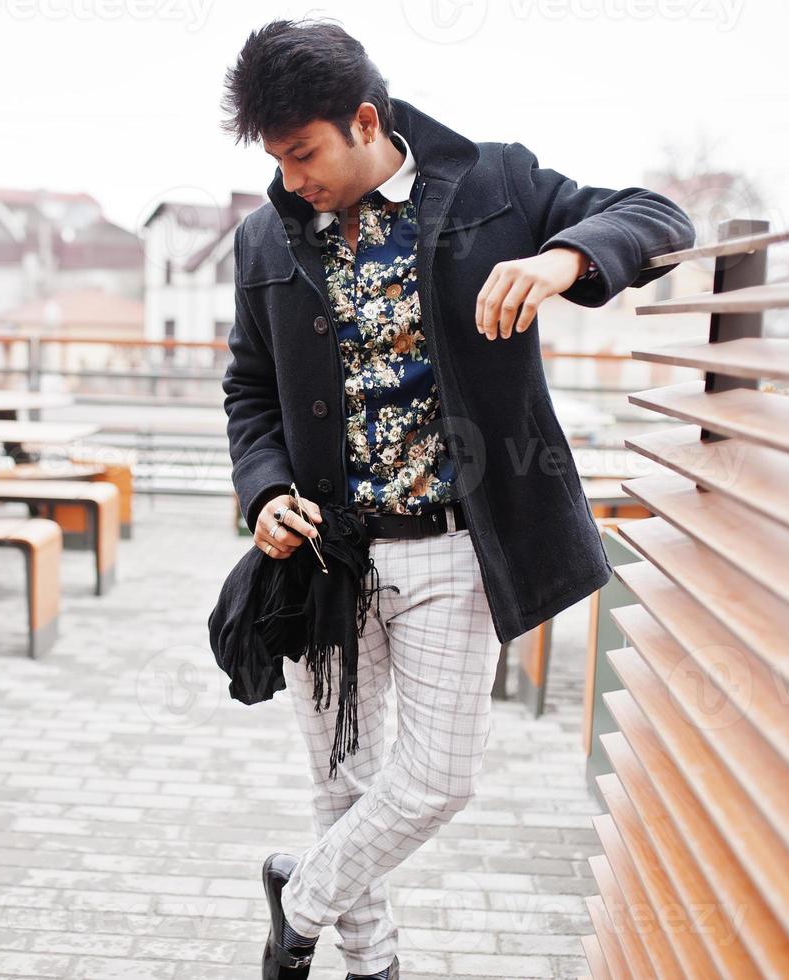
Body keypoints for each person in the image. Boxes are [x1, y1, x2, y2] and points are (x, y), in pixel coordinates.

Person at [218, 17, 696, 980]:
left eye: (305, 153)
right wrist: (264, 491)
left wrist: (563, 259)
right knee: (342, 782)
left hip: (453, 545)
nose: (292, 177)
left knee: (436, 777)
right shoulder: (265, 237)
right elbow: (250, 393)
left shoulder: (493, 185)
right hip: (322, 555)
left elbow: (660, 219)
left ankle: (298, 906)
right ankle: (373, 962)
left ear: (364, 120)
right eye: (277, 159)